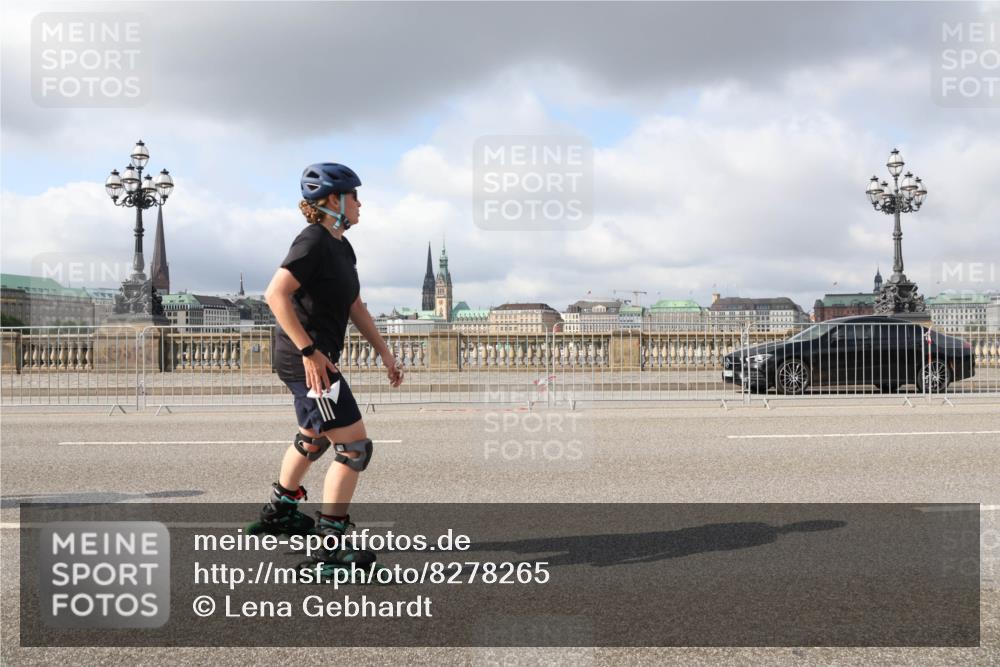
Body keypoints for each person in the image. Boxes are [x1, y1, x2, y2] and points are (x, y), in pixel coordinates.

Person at [249, 162, 403, 577]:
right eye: (354, 195)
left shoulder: (341, 247)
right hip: (308, 361)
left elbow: (355, 306)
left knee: (313, 437)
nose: (360, 203)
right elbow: (275, 294)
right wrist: (310, 351)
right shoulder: (313, 240)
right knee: (354, 447)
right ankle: (330, 549)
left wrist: (385, 353)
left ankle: (281, 510)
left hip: (310, 358)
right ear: (333, 200)